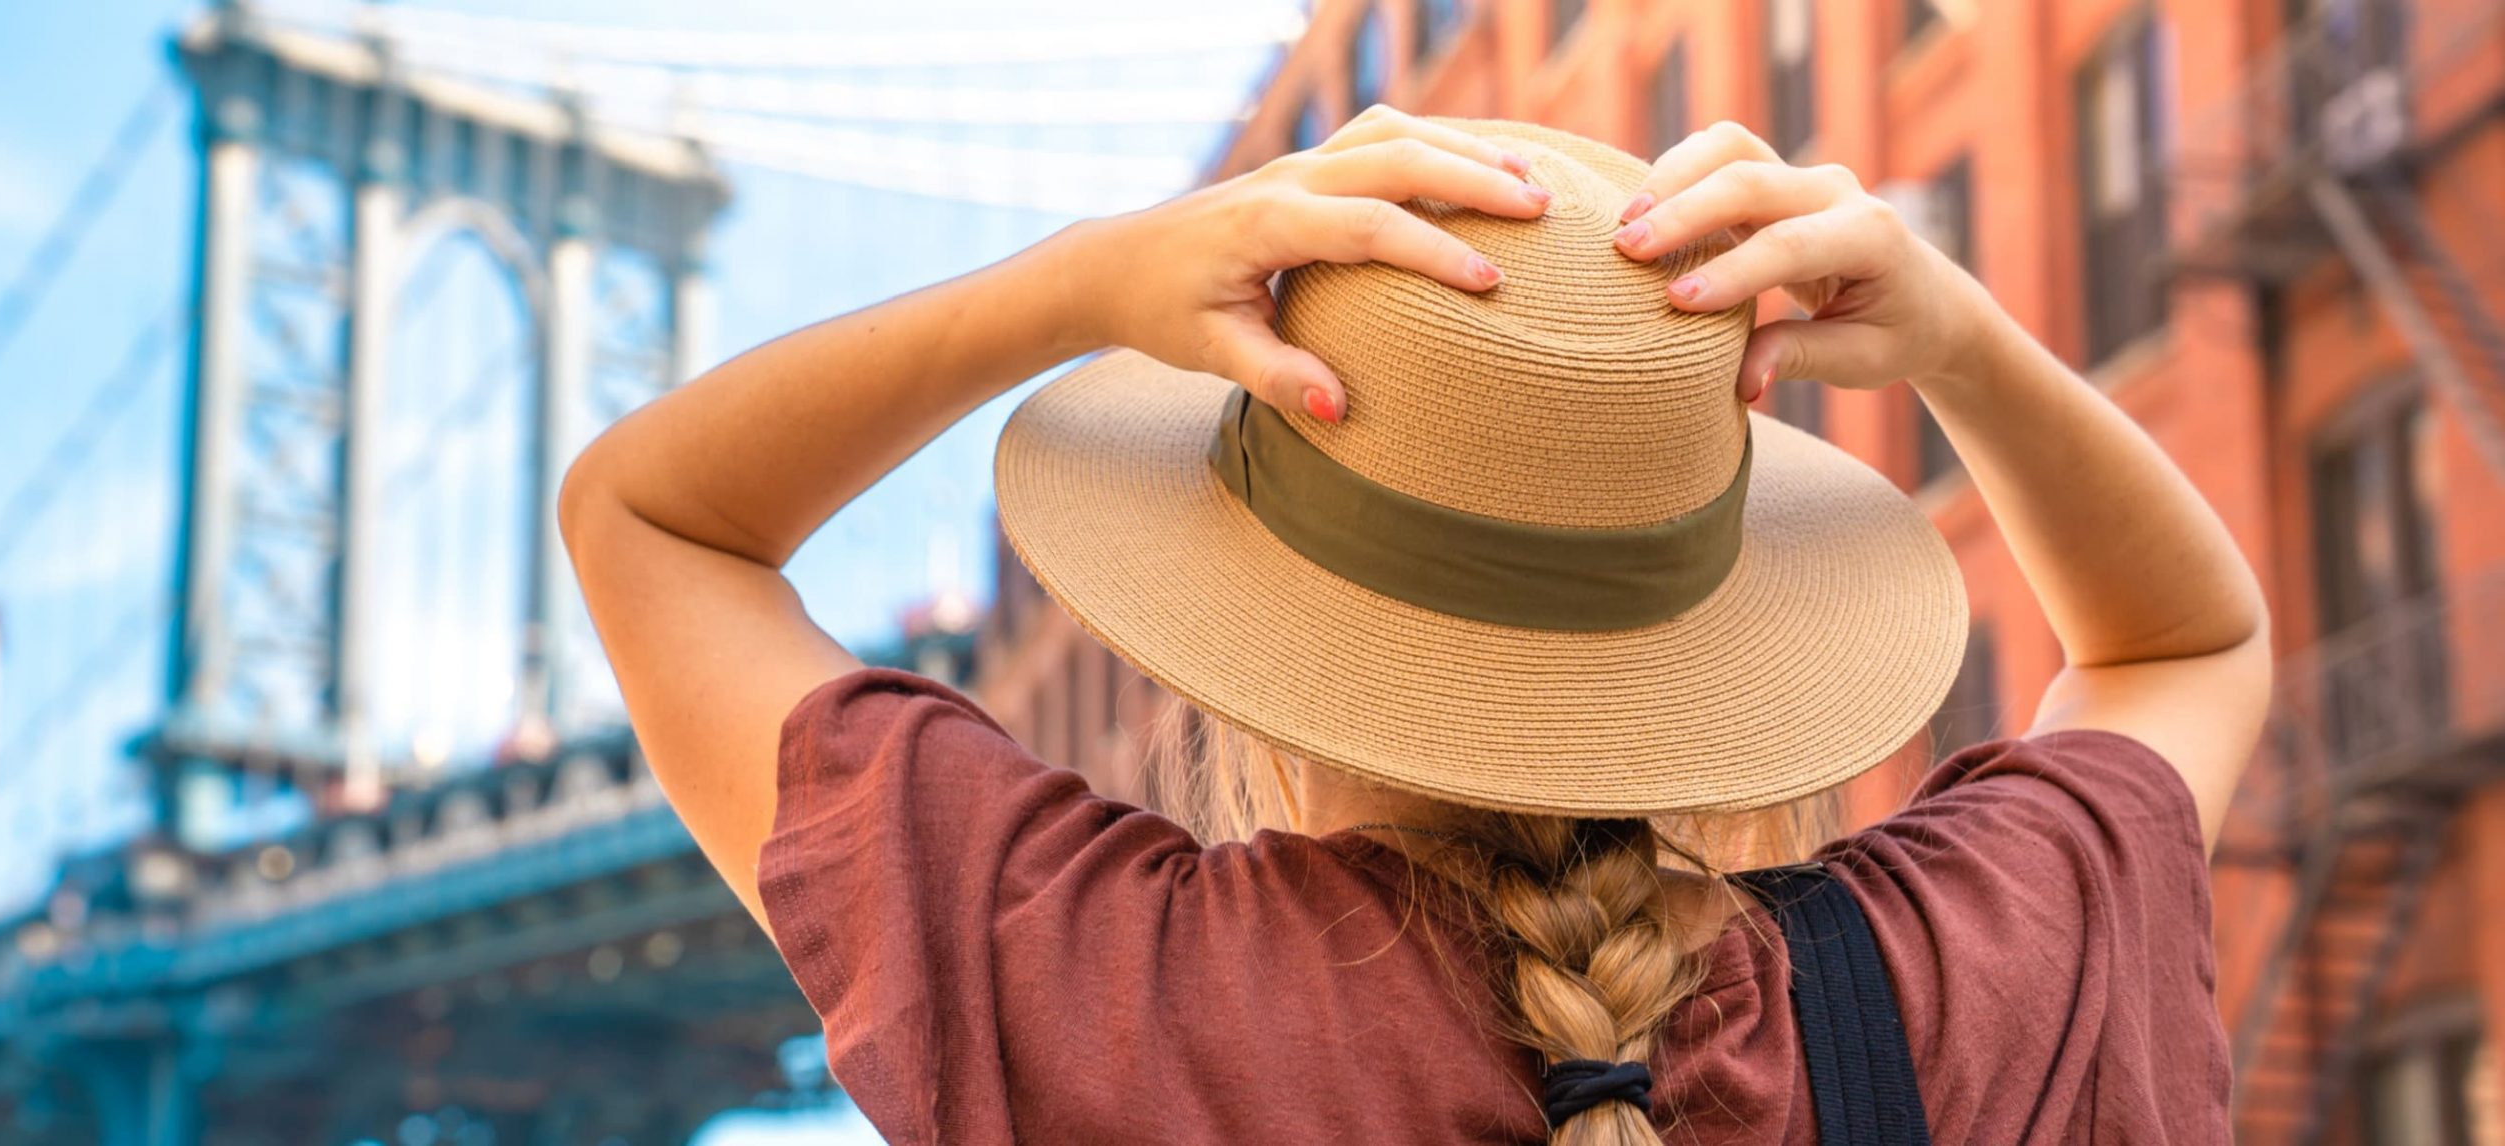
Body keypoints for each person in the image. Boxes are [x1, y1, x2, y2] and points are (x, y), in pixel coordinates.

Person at [559, 112, 2268, 1144]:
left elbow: (649, 518)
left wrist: (1079, 276)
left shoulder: (1099, 987)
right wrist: (1958, 332)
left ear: (1250, 644)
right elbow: (2182, 646)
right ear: (1716, 621)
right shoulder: (1963, 976)